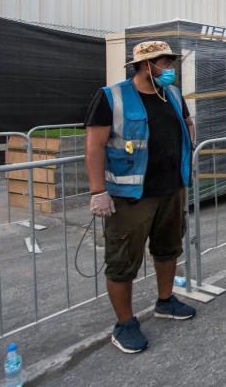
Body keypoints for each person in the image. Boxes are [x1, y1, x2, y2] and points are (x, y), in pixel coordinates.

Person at [84, 40, 197, 354]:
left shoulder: (172, 94)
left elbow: (186, 124)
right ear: (147, 65)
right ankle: (125, 323)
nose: (171, 69)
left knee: (168, 248)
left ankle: (165, 301)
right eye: (165, 63)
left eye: (171, 62)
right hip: (130, 196)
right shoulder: (112, 97)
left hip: (171, 188)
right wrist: (98, 192)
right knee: (123, 261)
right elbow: (94, 146)